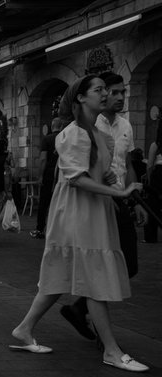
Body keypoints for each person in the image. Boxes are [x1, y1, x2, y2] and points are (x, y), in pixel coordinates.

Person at [10, 75, 148, 372]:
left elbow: (97, 173)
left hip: (92, 209)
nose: (105, 94)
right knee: (94, 277)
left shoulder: (100, 134)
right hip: (77, 211)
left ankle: (24, 328)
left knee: (63, 274)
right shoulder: (74, 133)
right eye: (98, 90)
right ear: (81, 98)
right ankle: (111, 350)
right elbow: (77, 179)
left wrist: (114, 183)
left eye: (105, 90)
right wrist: (118, 191)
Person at [60, 72, 148, 340]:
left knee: (127, 265)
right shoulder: (86, 124)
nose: (119, 97)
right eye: (113, 91)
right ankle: (105, 340)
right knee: (101, 267)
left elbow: (128, 164)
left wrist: (136, 200)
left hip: (120, 199)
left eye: (124, 92)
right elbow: (74, 175)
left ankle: (77, 309)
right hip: (96, 204)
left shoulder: (125, 126)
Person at [30, 118, 64, 239]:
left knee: (44, 202)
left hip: (49, 174)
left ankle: (40, 229)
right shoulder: (65, 137)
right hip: (62, 174)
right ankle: (59, 230)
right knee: (61, 203)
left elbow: (43, 159)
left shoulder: (47, 139)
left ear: (52, 126)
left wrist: (40, 176)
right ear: (61, 126)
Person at [145, 121, 162, 243]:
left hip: (159, 174)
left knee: (153, 207)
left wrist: (150, 181)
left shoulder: (155, 145)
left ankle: (151, 236)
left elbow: (150, 165)